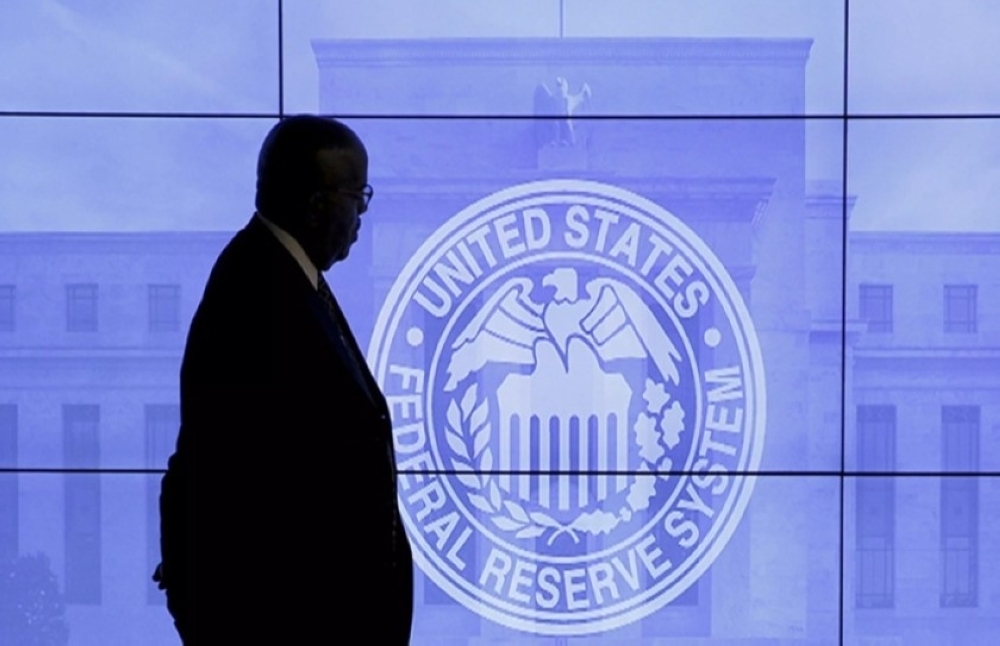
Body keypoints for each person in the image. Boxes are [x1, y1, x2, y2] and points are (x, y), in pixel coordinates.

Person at [153, 115, 413, 644]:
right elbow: (216, 476)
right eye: (357, 195)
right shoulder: (254, 291)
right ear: (317, 203)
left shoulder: (288, 276)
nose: (362, 214)